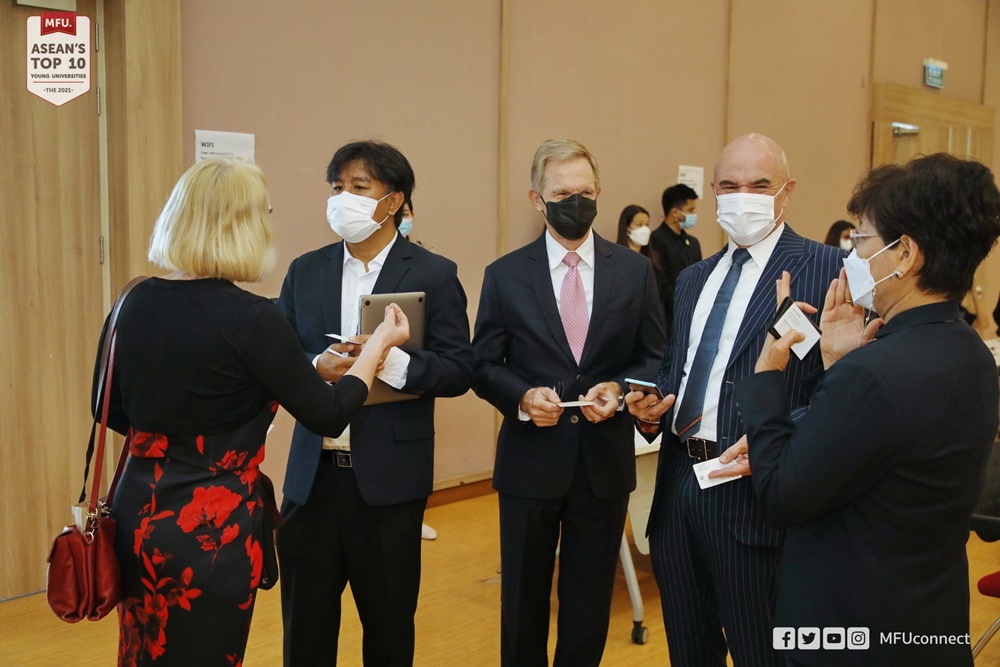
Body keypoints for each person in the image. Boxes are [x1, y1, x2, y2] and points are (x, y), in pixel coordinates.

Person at [95, 157, 409, 666]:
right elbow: (329, 415)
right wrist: (376, 349)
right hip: (211, 526)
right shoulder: (253, 318)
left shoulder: (133, 301)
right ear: (242, 226)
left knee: (145, 651)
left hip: (141, 514)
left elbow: (106, 407)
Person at [737, 153, 1000, 666]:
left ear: (906, 253)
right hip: (928, 619)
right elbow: (873, 451)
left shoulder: (877, 372)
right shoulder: (968, 351)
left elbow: (782, 496)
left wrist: (768, 373)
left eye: (861, 240)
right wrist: (837, 363)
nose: (853, 255)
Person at [626, 133, 844, 666]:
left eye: (759, 185)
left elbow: (844, 392)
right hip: (678, 490)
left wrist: (781, 433)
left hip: (756, 497)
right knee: (689, 653)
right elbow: (677, 371)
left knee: (761, 653)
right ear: (714, 192)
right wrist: (652, 408)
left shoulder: (827, 269)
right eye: (729, 185)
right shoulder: (692, 279)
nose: (742, 196)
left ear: (787, 191)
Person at [276, 140, 473, 666]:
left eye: (359, 187)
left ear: (394, 200)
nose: (344, 198)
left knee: (388, 632)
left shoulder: (433, 273)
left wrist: (390, 362)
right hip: (311, 481)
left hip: (389, 485)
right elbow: (278, 359)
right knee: (305, 634)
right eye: (337, 187)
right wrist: (317, 365)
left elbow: (460, 369)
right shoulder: (305, 270)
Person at [472, 139, 666, 666]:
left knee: (589, 602)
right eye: (562, 194)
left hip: (603, 465)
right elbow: (482, 365)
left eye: (584, 191)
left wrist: (621, 390)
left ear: (599, 193)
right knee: (523, 601)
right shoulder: (505, 275)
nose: (574, 202)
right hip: (529, 463)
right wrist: (521, 396)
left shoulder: (635, 271)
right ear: (537, 199)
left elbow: (655, 355)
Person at [396, 196, 438, 542]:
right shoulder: (310, 268)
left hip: (412, 377)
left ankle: (415, 514)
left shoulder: (429, 267)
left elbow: (455, 366)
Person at [649, 183, 703, 335]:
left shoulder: (693, 243)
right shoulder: (656, 239)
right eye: (690, 210)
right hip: (669, 321)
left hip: (694, 318)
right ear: (675, 212)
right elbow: (661, 284)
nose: (694, 215)